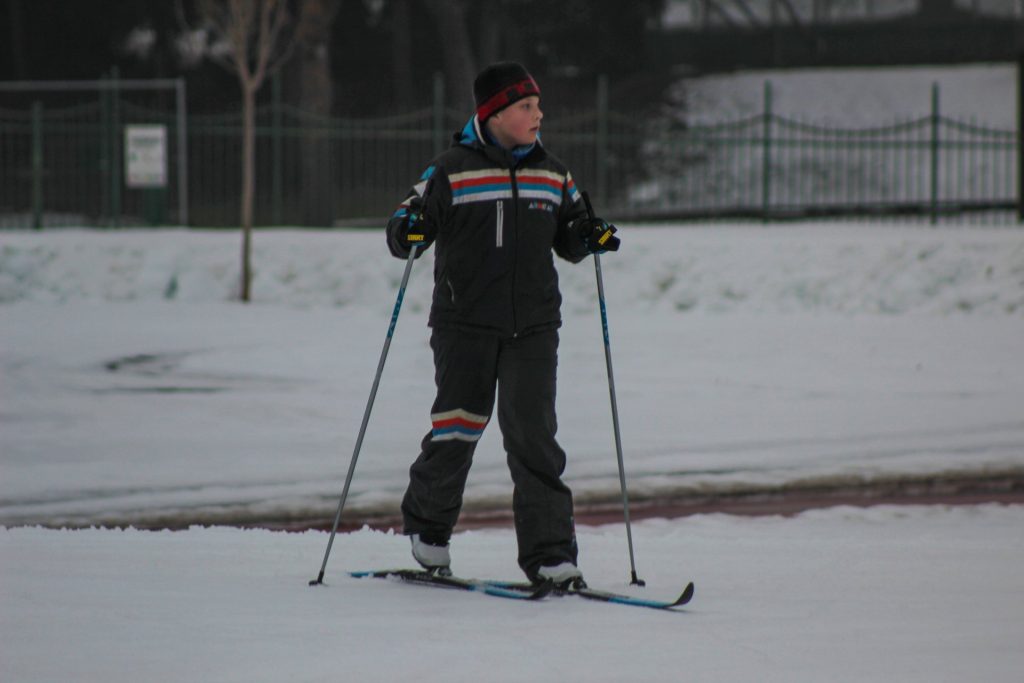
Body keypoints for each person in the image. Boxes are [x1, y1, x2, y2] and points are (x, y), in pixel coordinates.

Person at [385, 62, 620, 587]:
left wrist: (591, 237)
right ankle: (428, 533)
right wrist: (411, 231)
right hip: (464, 325)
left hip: (533, 327)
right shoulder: (450, 170)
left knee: (534, 439)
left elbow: (572, 235)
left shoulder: (553, 173)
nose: (539, 114)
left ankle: (552, 556)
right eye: (526, 107)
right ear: (493, 114)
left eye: (538, 105)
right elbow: (404, 225)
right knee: (458, 427)